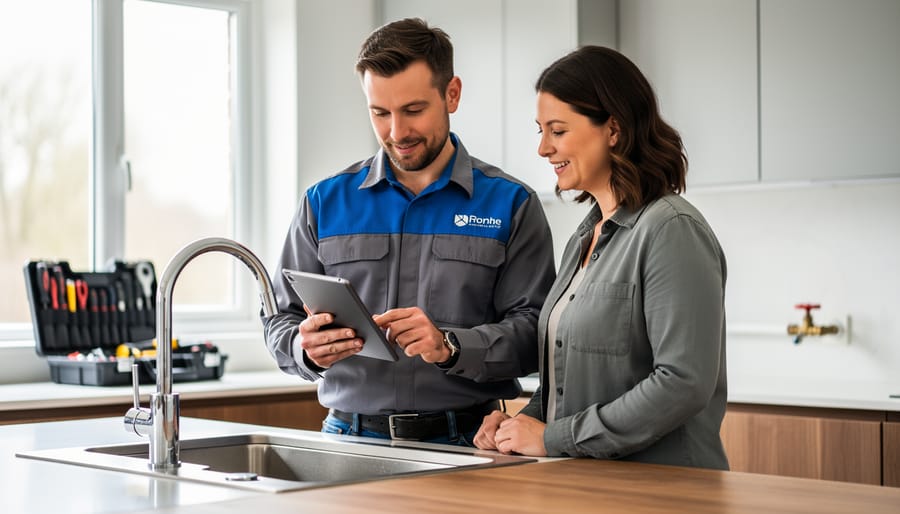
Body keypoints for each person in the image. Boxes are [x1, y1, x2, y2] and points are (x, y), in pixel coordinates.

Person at [263, 18, 556, 446]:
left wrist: (452, 346)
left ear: (451, 94)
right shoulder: (323, 202)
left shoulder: (511, 205)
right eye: (380, 113)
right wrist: (301, 349)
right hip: (347, 438)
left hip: (469, 442)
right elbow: (278, 317)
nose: (397, 133)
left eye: (414, 111)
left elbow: (536, 335)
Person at [474, 45, 729, 470]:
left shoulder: (670, 229)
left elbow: (682, 384)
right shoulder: (583, 237)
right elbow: (568, 385)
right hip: (587, 483)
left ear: (612, 129)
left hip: (666, 491)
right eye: (539, 130)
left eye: (557, 131)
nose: (542, 148)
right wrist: (519, 427)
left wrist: (554, 437)